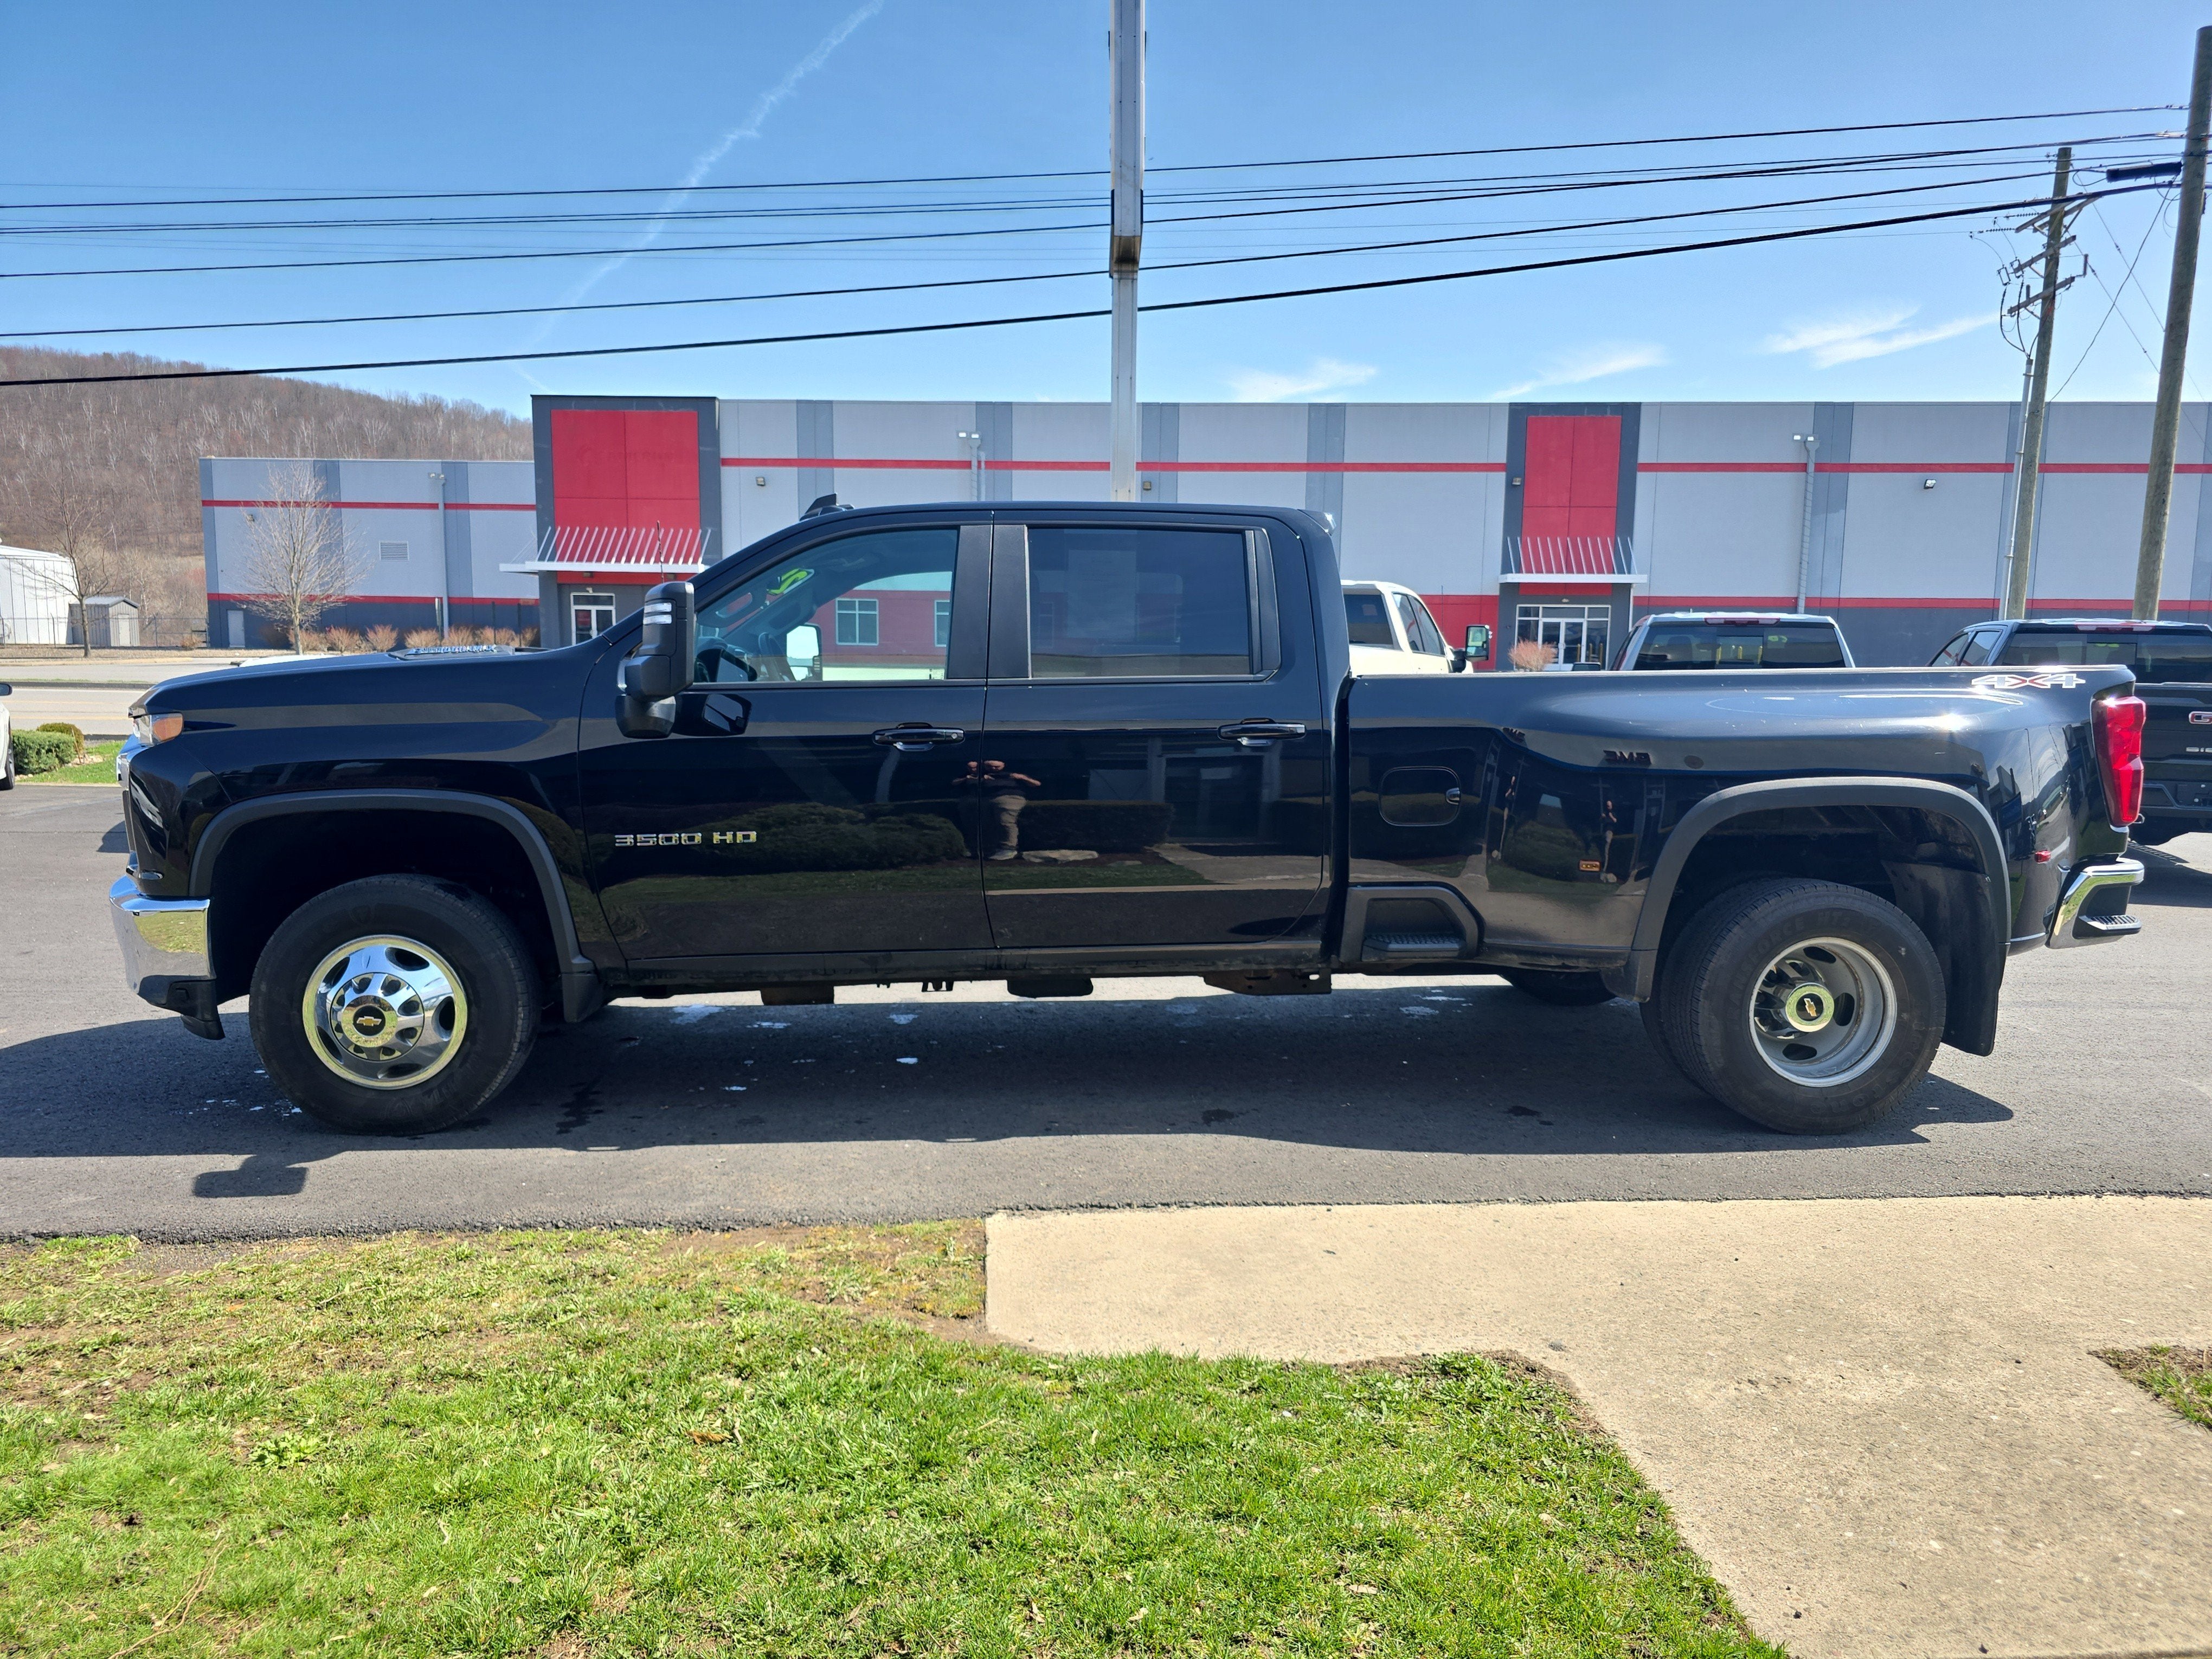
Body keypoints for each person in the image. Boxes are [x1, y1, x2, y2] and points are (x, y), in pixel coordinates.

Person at [954, 759, 1041, 860]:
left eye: (997, 767)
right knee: (981, 823)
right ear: (984, 766)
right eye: (990, 766)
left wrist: (1023, 778)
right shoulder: (976, 776)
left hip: (1009, 798)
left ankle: (1008, 849)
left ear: (1003, 765)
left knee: (1004, 821)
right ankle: (983, 849)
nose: (993, 768)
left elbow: (1036, 784)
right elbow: (957, 783)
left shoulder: (1012, 775)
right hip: (984, 800)